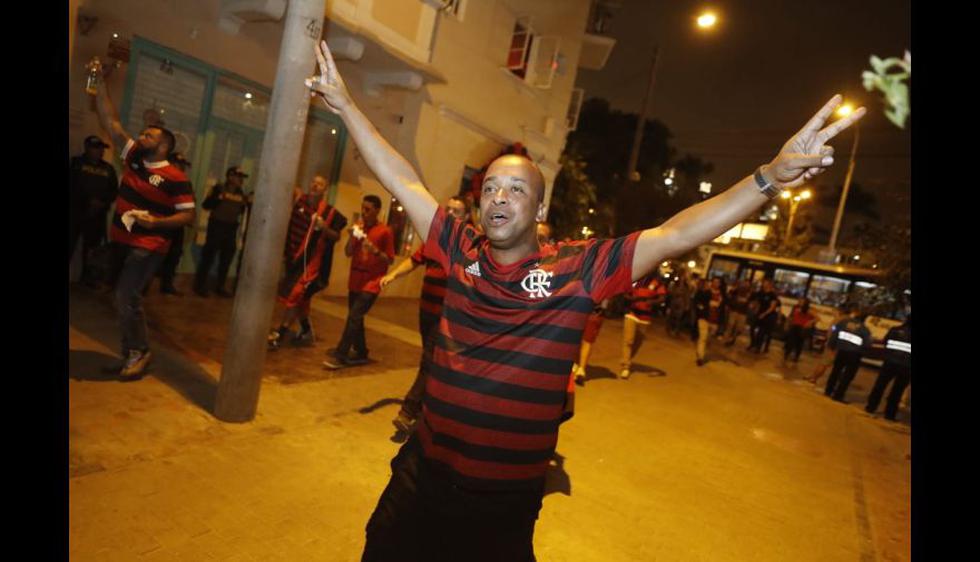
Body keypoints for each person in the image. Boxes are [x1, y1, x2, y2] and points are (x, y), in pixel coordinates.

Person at [308, 40, 861, 560]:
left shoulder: (580, 268)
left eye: (517, 188)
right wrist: (346, 104)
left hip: (501, 500)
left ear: (541, 212)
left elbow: (676, 234)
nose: (499, 196)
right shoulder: (457, 245)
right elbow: (403, 178)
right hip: (420, 473)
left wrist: (767, 179)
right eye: (491, 189)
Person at [89, 75, 196, 379]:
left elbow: (188, 216)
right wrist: (101, 83)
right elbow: (111, 121)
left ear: (162, 145)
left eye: (148, 136)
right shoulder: (134, 156)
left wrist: (157, 221)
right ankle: (132, 353)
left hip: (149, 246)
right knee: (121, 297)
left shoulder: (176, 178)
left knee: (126, 296)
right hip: (122, 240)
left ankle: (139, 353)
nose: (141, 138)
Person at [379, 197, 469, 434]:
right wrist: (393, 275)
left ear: (465, 217)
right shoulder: (435, 239)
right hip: (426, 311)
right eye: (447, 209)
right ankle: (432, 405)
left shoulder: (469, 245)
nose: (450, 213)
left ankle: (408, 411)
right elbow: (413, 260)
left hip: (448, 316)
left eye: (456, 211)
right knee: (431, 360)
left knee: (429, 359)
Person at [267, 175, 348, 350]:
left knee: (296, 293)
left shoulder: (329, 213)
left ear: (325, 190)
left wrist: (323, 227)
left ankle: (281, 333)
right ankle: (305, 329)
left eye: (320, 184)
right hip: (293, 255)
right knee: (302, 299)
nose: (315, 185)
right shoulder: (299, 200)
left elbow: (336, 236)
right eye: (314, 182)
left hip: (311, 260)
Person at [322, 194, 395, 367]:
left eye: (368, 209)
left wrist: (375, 251)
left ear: (377, 211)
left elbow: (390, 259)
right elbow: (348, 252)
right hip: (355, 279)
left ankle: (342, 353)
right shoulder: (359, 227)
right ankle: (361, 351)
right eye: (363, 208)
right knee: (356, 317)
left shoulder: (385, 231)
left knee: (354, 315)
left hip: (372, 281)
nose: (364, 212)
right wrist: (352, 237)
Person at [70, 135, 119, 287]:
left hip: (97, 215)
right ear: (87, 148)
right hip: (75, 213)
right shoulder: (76, 163)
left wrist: (101, 202)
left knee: (92, 249)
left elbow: (113, 191)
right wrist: (87, 200)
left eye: (101, 149)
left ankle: (87, 278)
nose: (100, 151)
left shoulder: (108, 169)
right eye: (96, 148)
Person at [194, 166, 251, 297]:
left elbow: (240, 210)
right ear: (230, 177)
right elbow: (206, 205)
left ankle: (220, 286)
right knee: (208, 257)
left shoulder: (240, 193)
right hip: (217, 226)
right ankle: (200, 285)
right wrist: (218, 197)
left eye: (242, 177)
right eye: (238, 177)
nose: (241, 180)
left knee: (226, 258)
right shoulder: (218, 188)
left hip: (231, 228)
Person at [149, 151, 192, 295]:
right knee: (152, 254)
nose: (181, 167)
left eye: (183, 165)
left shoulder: (185, 182)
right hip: (160, 222)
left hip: (177, 223)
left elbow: (189, 204)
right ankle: (144, 285)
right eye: (178, 164)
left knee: (174, 255)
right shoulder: (159, 178)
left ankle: (166, 285)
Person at [864, 315, 911, 421]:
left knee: (880, 385)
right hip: (906, 367)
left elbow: (886, 342)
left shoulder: (895, 330)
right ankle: (889, 414)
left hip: (890, 362)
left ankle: (871, 407)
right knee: (897, 391)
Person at [620, 274, 667, 378]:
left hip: (645, 316)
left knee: (637, 342)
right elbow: (624, 293)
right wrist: (632, 299)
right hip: (632, 313)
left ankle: (627, 359)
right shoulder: (636, 280)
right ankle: (625, 367)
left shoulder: (656, 282)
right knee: (628, 340)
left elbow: (662, 298)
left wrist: (651, 302)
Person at [823, 304, 872, 402]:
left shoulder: (844, 322)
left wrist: (832, 346)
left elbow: (834, 334)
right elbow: (867, 344)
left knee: (835, 371)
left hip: (841, 351)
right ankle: (838, 395)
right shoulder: (864, 330)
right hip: (854, 355)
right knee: (847, 376)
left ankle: (828, 390)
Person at [747, 279, 780, 354]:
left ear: (769, 285)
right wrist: (753, 306)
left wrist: (764, 314)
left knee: (761, 332)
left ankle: (758, 347)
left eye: (765, 283)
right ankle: (753, 343)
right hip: (759, 313)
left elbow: (772, 307)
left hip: (767, 315)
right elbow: (755, 300)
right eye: (763, 283)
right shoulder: (760, 292)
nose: (763, 284)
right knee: (752, 328)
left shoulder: (772, 295)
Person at [782, 297, 816, 364]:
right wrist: (787, 323)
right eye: (800, 301)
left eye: (802, 301)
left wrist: (809, 323)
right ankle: (786, 355)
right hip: (794, 326)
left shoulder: (809, 310)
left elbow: (817, 318)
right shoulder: (795, 307)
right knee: (790, 341)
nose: (800, 302)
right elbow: (791, 316)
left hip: (802, 327)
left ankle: (796, 357)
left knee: (799, 343)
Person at [724, 279, 752, 346]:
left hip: (743, 312)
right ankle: (727, 339)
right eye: (745, 283)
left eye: (747, 284)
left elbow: (752, 302)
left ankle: (733, 338)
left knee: (739, 328)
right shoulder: (737, 290)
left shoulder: (751, 293)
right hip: (734, 310)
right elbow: (729, 295)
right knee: (730, 325)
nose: (745, 285)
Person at [666, 270, 691, 337]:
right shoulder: (675, 284)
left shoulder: (686, 286)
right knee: (671, 315)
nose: (682, 278)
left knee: (679, 317)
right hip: (674, 300)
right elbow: (670, 293)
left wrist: (687, 305)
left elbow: (687, 295)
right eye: (681, 276)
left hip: (681, 302)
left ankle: (675, 330)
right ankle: (670, 328)